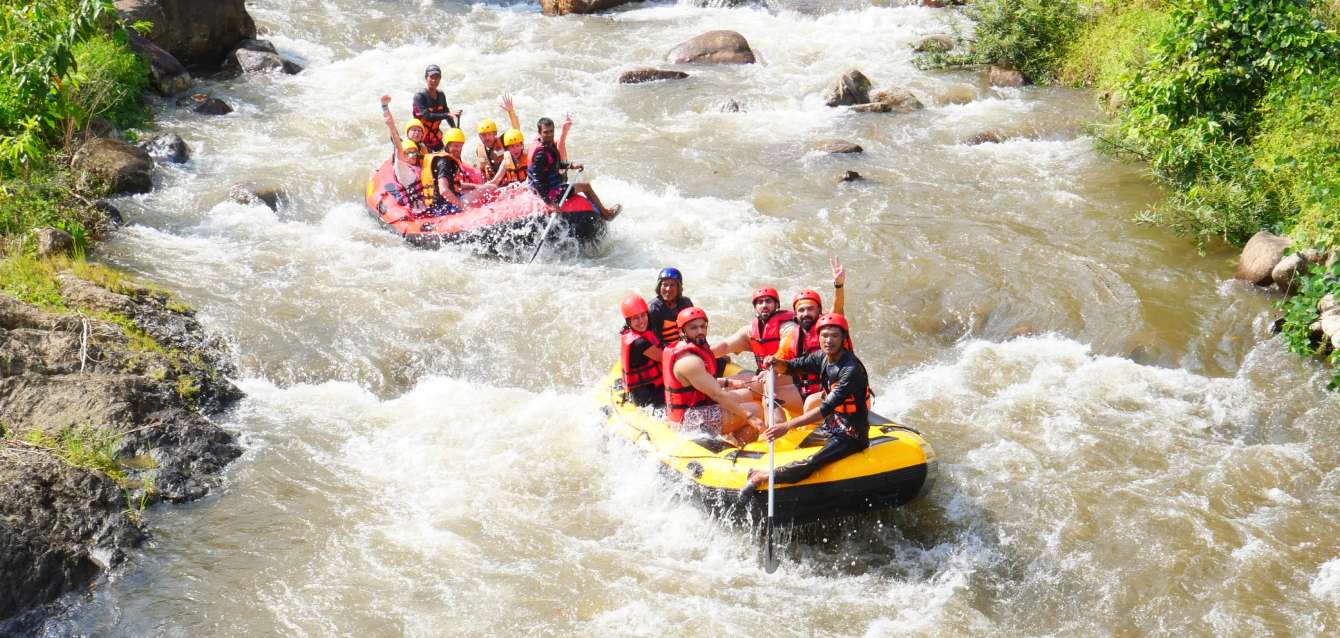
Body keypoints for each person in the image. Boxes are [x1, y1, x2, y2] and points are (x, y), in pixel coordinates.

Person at [739, 313, 870, 498]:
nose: (829, 340)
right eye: (825, 336)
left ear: (844, 338)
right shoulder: (822, 358)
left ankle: (762, 476)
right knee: (795, 450)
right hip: (831, 424)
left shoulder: (850, 370)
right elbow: (793, 366)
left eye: (835, 336)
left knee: (812, 462)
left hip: (851, 433)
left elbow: (825, 408)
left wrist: (787, 425)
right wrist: (776, 363)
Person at [751, 257, 849, 413]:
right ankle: (776, 432)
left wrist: (839, 285)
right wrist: (769, 368)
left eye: (810, 309)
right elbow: (780, 359)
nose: (806, 313)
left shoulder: (830, 329)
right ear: (795, 314)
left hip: (839, 393)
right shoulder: (794, 337)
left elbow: (837, 308)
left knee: (810, 403)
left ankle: (806, 428)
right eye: (801, 310)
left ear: (819, 311)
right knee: (770, 394)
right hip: (808, 390)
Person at [663, 307, 766, 444]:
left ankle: (733, 436)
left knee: (748, 394)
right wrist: (750, 417)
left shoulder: (686, 347)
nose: (700, 331)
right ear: (683, 331)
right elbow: (718, 396)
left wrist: (728, 383)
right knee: (757, 410)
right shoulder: (689, 361)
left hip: (695, 409)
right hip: (689, 421)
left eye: (702, 326)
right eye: (693, 328)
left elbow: (699, 383)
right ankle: (739, 446)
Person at [528, 115, 621, 221]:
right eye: (545, 132)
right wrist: (550, 203)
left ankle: (600, 212)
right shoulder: (541, 155)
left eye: (551, 131)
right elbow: (537, 182)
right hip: (552, 193)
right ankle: (606, 214)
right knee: (586, 186)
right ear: (539, 133)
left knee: (582, 185)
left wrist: (571, 165)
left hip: (550, 189)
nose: (549, 135)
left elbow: (554, 165)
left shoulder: (547, 146)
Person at [711, 287, 796, 373]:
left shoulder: (788, 328)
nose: (764, 305)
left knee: (729, 382)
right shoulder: (750, 332)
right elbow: (725, 346)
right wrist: (705, 354)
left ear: (777, 305)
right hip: (763, 375)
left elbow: (785, 355)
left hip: (788, 376)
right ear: (755, 307)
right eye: (760, 302)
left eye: (768, 301)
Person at [380, 96, 427, 214]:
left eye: (419, 131)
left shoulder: (422, 148)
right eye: (413, 130)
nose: (416, 133)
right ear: (408, 132)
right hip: (405, 178)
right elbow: (393, 129)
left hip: (416, 178)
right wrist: (385, 107)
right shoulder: (401, 147)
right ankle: (396, 192)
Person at [618, 294, 665, 408]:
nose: (641, 321)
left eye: (643, 315)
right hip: (646, 396)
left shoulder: (631, 333)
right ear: (629, 322)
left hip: (643, 389)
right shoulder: (639, 343)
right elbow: (666, 358)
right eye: (635, 318)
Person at [413, 65, 461, 152]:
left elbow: (447, 113)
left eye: (437, 78)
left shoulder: (441, 95)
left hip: (435, 137)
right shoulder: (419, 96)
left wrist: (454, 128)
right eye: (431, 77)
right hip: (420, 139)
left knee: (448, 154)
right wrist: (447, 115)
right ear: (426, 78)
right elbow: (427, 116)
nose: (434, 80)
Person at [475, 95, 522, 181]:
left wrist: (511, 112)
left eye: (489, 134)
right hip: (492, 182)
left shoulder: (502, 141)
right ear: (479, 136)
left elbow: (516, 131)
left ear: (495, 134)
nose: (487, 138)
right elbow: (481, 170)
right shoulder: (479, 149)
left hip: (508, 180)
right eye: (483, 135)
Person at [647, 268, 693, 347]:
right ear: (659, 287)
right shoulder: (654, 308)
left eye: (672, 285)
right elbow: (656, 341)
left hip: (685, 345)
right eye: (665, 285)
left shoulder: (686, 303)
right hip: (666, 350)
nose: (668, 289)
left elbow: (695, 328)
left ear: (678, 288)